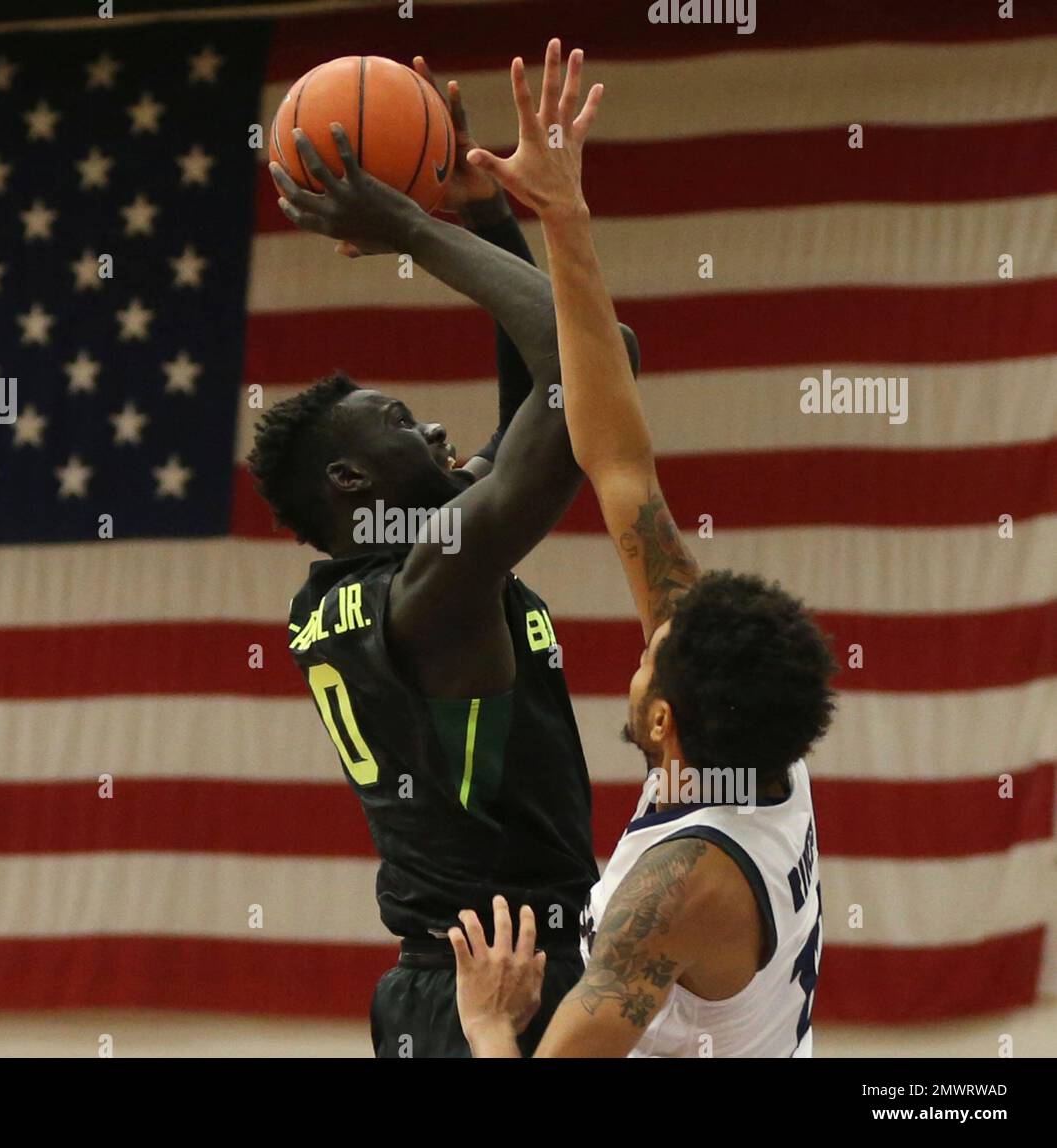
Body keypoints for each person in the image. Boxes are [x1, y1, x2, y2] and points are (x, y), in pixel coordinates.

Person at [449, 41, 837, 1059]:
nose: (645, 639)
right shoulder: (752, 744)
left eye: (647, 656)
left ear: (665, 721)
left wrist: (487, 1019)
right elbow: (618, 460)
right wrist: (562, 216)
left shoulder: (673, 893)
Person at [251, 54, 638, 1058]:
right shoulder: (435, 587)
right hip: (500, 984)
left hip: (461, 971)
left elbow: (557, 388)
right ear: (350, 481)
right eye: (401, 424)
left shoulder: (378, 580)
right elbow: (595, 369)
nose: (433, 430)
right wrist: (413, 230)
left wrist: (481, 214)